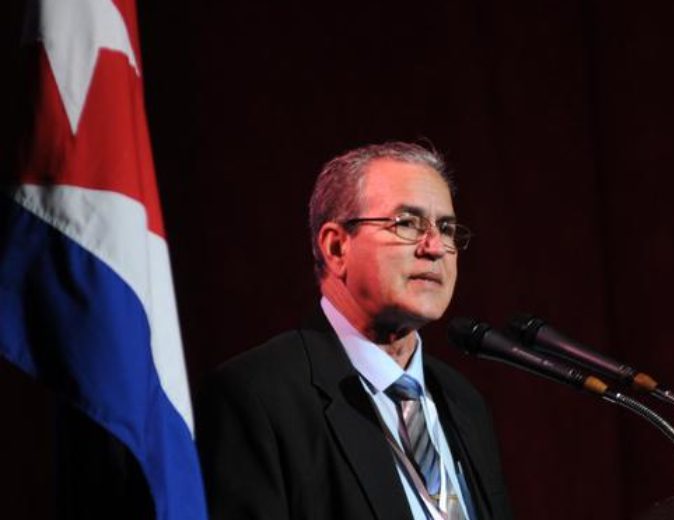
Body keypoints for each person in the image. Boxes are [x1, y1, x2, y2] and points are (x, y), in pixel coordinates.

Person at [196, 142, 513, 519]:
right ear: (336, 247)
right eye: (406, 223)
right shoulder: (258, 397)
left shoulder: (463, 401)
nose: (435, 247)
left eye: (445, 228)